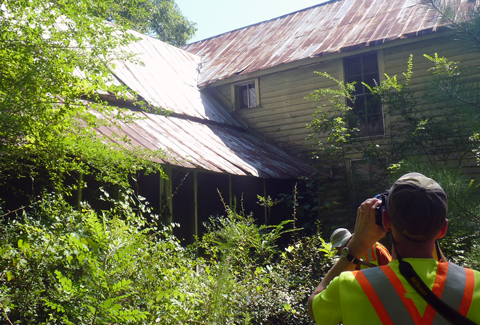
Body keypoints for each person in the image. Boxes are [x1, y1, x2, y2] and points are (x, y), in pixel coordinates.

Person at [308, 172, 480, 324]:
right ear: (443, 229)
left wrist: (356, 247)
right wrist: (428, 225)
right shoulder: (474, 285)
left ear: (386, 220)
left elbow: (314, 310)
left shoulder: (349, 286)